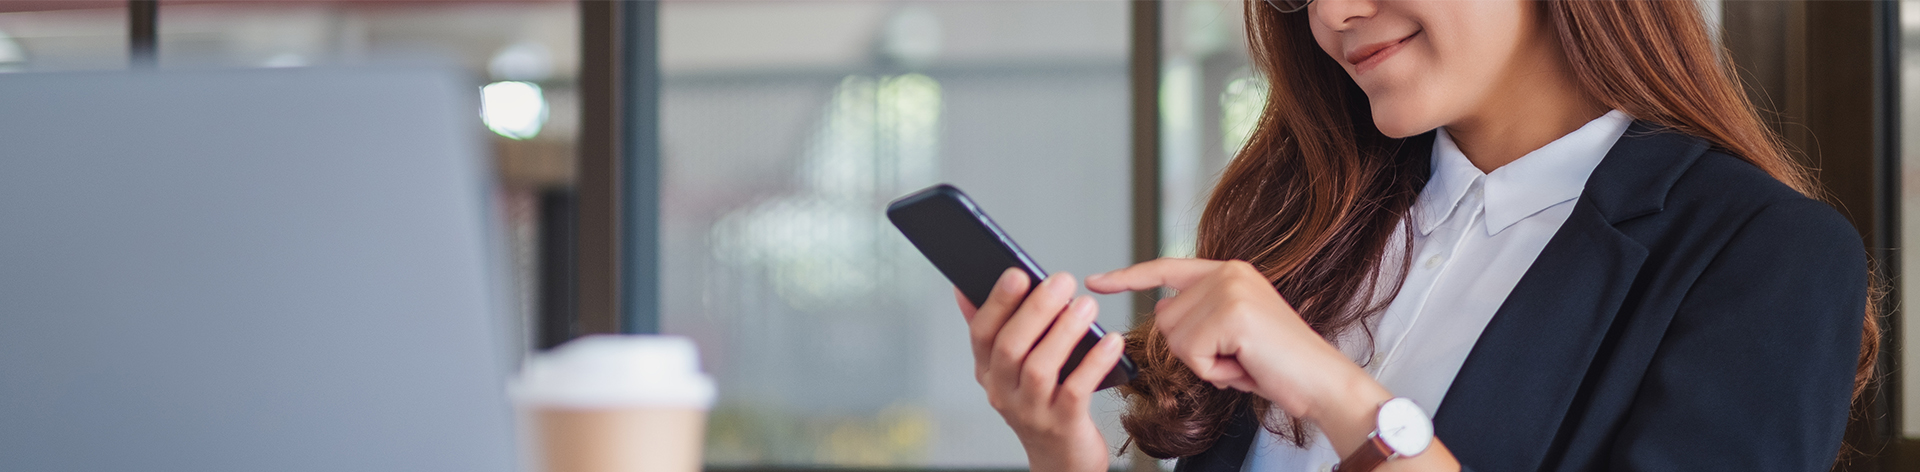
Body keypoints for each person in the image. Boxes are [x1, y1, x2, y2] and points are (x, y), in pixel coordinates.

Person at [951, 0, 1877, 471]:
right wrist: (1060, 450)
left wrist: (1341, 396)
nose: (1331, 14)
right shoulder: (1306, 234)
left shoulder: (1765, 258)